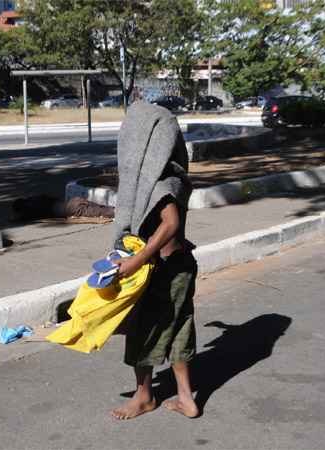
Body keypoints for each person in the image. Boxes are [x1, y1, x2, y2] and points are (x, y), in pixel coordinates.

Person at [109, 101, 199, 420]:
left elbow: (170, 223)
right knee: (179, 329)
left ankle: (144, 395)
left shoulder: (159, 182)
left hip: (159, 268)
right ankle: (186, 398)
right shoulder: (172, 175)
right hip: (181, 265)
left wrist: (136, 260)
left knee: (142, 330)